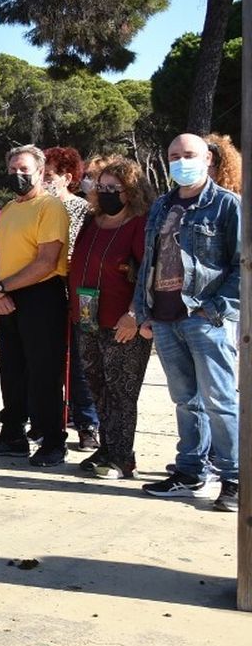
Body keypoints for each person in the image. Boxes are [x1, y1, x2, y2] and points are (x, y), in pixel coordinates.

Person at [133, 134, 240, 510]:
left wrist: (214, 310)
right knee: (185, 401)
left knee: (220, 402)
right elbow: (149, 262)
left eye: (189, 155)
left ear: (208, 159)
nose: (181, 162)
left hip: (205, 319)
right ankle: (192, 471)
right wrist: (142, 312)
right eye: (174, 156)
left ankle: (234, 478)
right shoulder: (162, 205)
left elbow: (243, 267)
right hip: (164, 318)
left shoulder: (228, 205)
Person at [0, 146, 71, 466]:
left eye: (25, 169)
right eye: (13, 168)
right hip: (8, 297)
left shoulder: (50, 207)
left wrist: (1, 288)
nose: (18, 174)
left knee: (44, 371)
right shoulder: (10, 209)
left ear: (40, 172)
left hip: (42, 296)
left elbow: (46, 262)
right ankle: (13, 434)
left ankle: (53, 440)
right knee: (11, 369)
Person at [70, 159, 152, 480]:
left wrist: (134, 314)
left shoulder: (139, 224)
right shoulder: (93, 221)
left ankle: (121, 458)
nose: (104, 193)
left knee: (121, 391)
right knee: (98, 387)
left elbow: (148, 273)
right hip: (87, 318)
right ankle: (106, 447)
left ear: (129, 191)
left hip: (122, 323)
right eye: (100, 186)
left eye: (112, 188)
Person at [44, 145, 99, 449]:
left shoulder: (83, 209)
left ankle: (88, 422)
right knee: (50, 358)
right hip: (47, 290)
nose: (44, 179)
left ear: (66, 177)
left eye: (49, 174)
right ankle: (52, 418)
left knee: (82, 359)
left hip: (82, 292)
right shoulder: (36, 207)